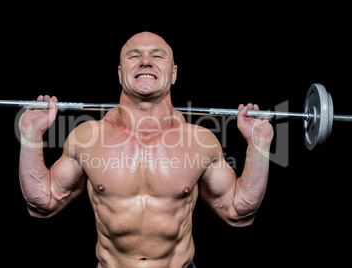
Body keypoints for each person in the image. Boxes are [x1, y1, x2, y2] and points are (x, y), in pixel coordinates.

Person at [18, 31, 274, 268]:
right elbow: (43, 203)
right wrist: (31, 134)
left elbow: (239, 212)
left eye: (157, 56)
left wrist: (259, 144)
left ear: (173, 74)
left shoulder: (200, 141)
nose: (145, 61)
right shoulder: (87, 137)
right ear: (120, 74)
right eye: (134, 56)